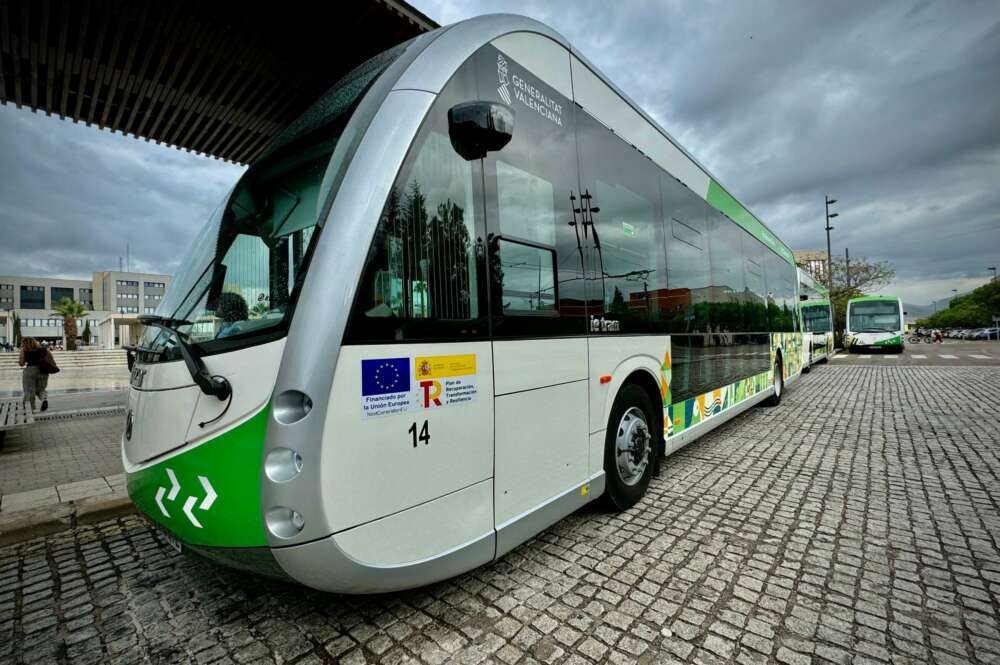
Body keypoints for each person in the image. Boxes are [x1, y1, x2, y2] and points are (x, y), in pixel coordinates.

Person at [18, 337, 54, 412]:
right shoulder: (43, 349)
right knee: (41, 389)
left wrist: (22, 351)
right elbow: (51, 359)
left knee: (29, 390)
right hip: (43, 371)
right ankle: (44, 399)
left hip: (30, 371)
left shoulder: (25, 350)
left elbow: (21, 363)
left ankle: (31, 409)